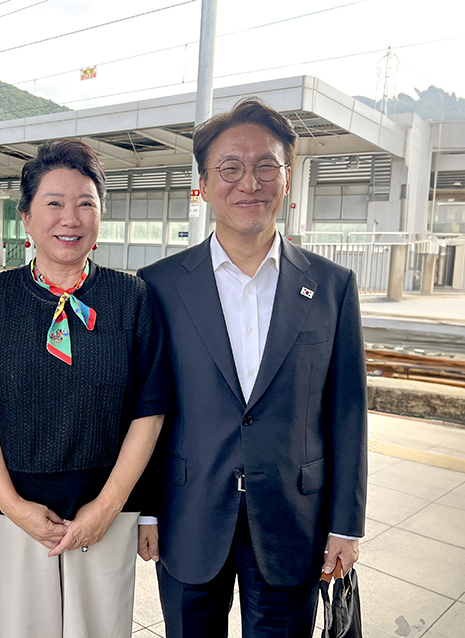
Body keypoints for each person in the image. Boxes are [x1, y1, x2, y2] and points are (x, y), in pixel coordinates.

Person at [137, 98, 368, 637]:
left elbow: (347, 413)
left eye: (267, 166)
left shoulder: (332, 286)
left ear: (287, 178)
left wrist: (346, 525)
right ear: (203, 183)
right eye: (230, 168)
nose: (250, 183)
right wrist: (146, 511)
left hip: (293, 520)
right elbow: (147, 406)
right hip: (189, 513)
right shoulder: (159, 285)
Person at [0, 139, 171, 638]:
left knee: (100, 630)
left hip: (108, 507)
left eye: (85, 204)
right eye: (53, 203)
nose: (70, 218)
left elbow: (150, 410)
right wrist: (12, 505)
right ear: (26, 219)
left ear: (101, 216)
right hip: (18, 506)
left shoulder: (133, 298)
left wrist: (107, 507)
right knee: (26, 630)